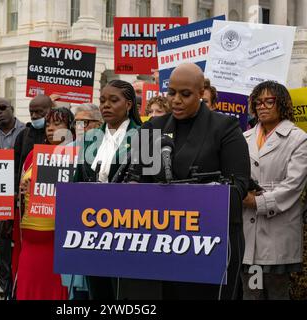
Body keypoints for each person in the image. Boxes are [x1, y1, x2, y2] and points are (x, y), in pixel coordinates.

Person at [126, 63, 250, 300]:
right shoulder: (152, 128)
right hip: (162, 241)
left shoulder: (225, 128)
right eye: (171, 93)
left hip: (212, 242)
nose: (176, 100)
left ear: (202, 92)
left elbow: (240, 186)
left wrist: (201, 195)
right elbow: (137, 180)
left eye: (185, 94)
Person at [74, 80, 142, 299]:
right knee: (97, 289)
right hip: (92, 226)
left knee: (121, 291)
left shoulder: (143, 136)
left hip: (126, 226)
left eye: (114, 100)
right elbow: (77, 181)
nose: (106, 106)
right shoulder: (90, 139)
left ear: (129, 104)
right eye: (102, 100)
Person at [242, 81, 307, 300]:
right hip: (248, 234)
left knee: (276, 292)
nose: (262, 106)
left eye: (269, 101)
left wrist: (258, 202)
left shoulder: (299, 139)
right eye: (258, 102)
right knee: (252, 291)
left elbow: (292, 186)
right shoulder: (244, 138)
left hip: (277, 234)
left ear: (282, 103)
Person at [14, 108, 75, 300]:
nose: (50, 129)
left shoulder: (77, 156)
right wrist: (23, 187)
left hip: (57, 242)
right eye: (48, 124)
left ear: (70, 129)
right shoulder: (33, 155)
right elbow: (22, 194)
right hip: (30, 241)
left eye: (57, 124)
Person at [0, 97, 25, 299]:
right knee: (2, 249)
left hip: (20, 199)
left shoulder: (25, 131)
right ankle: (6, 289)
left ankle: (18, 289)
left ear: (12, 108)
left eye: (3, 108)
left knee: (18, 247)